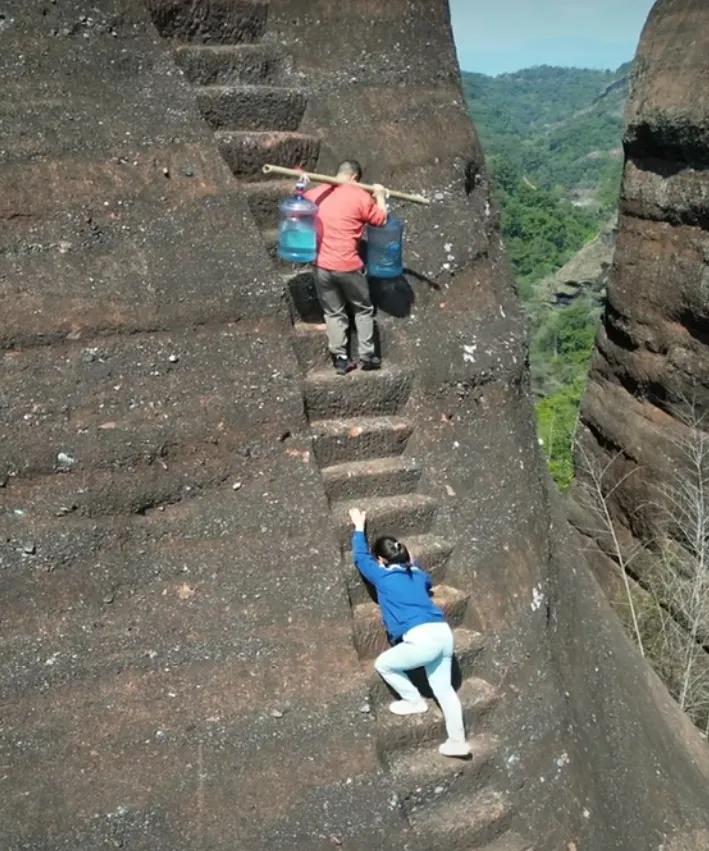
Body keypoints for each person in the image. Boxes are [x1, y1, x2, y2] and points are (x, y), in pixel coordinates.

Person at [348, 507, 471, 758]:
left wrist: (359, 528)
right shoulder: (419, 575)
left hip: (421, 639)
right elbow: (423, 579)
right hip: (443, 634)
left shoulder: (382, 577)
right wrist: (409, 562)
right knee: (445, 690)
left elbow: (360, 559)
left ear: (381, 561)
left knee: (383, 664)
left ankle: (413, 701)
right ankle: (457, 741)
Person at [303, 161, 388, 375]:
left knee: (333, 312)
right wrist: (379, 195)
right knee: (363, 308)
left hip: (321, 265)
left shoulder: (317, 194)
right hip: (348, 266)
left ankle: (340, 359)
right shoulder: (360, 196)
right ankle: (367, 355)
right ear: (355, 177)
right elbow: (380, 220)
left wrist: (302, 184)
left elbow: (300, 201)